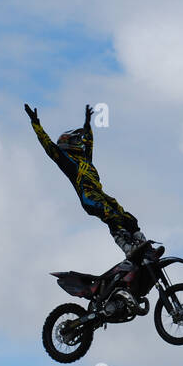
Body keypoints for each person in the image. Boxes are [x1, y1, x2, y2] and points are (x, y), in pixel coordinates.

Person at [24, 102, 163, 263]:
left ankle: (146, 248)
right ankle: (128, 249)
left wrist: (87, 123)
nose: (80, 142)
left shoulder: (86, 159)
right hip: (88, 197)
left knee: (127, 217)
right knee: (112, 216)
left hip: (101, 194)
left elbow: (89, 142)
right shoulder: (66, 160)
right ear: (68, 142)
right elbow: (48, 145)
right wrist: (36, 124)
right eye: (77, 140)